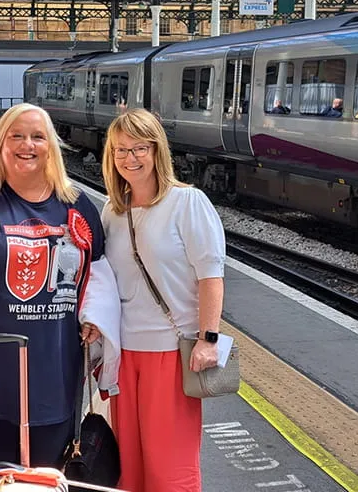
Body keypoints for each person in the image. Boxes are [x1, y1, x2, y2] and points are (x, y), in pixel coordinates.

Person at [0, 102, 120, 467]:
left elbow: (99, 274)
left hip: (54, 374)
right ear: (0, 145)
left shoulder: (77, 206)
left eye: (37, 136)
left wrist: (95, 317)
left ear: (51, 147)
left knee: (47, 478)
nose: (27, 144)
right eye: (16, 136)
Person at [100, 109, 225, 492]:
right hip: (123, 352)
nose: (130, 158)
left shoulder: (187, 202)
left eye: (140, 147)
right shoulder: (112, 211)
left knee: (170, 467)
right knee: (129, 466)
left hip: (172, 352)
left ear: (157, 151)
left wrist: (208, 338)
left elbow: (211, 274)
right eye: (121, 149)